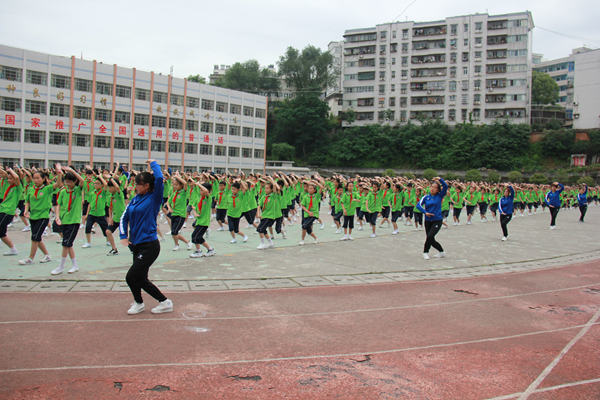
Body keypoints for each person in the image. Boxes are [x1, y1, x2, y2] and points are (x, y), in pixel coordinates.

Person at [119, 159, 173, 315]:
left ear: (147, 185)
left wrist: (154, 164)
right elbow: (124, 217)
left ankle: (164, 302)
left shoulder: (154, 198)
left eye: (138, 184)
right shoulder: (135, 199)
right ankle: (139, 303)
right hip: (135, 244)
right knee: (140, 277)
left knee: (131, 277)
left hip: (149, 244)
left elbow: (158, 179)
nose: (135, 187)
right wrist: (123, 235)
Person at [51, 165, 85, 274]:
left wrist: (72, 171)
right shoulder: (63, 191)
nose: (68, 184)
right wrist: (57, 217)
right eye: (66, 181)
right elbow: (58, 205)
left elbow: (82, 180)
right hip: (64, 220)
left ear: (74, 182)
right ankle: (75, 265)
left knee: (65, 244)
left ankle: (61, 267)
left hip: (74, 221)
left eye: (70, 182)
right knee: (68, 244)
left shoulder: (77, 190)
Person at [19, 170, 55, 264]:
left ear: (43, 179)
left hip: (43, 217)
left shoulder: (47, 189)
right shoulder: (31, 189)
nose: (35, 180)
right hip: (33, 216)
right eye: (34, 178)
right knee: (36, 238)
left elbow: (58, 184)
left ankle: (30, 258)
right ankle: (47, 255)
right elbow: (27, 201)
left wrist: (59, 173)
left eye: (38, 178)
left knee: (35, 237)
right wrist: (26, 211)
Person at [82, 172, 119, 255]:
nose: (95, 185)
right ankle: (88, 242)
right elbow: (89, 205)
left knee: (105, 229)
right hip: (92, 213)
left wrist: (100, 177)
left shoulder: (103, 192)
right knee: (88, 227)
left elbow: (106, 185)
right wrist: (87, 214)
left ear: (101, 185)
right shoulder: (92, 193)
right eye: (95, 183)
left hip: (101, 214)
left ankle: (108, 241)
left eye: (98, 183)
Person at [416, 177, 448, 260]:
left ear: (438, 190)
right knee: (431, 238)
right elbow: (418, 205)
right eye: (431, 187)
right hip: (427, 220)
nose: (432, 189)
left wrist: (440, 179)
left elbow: (445, 187)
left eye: (434, 187)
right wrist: (425, 212)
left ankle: (425, 252)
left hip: (437, 220)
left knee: (430, 236)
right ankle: (441, 252)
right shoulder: (426, 197)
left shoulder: (440, 196)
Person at [189, 178, 216, 258]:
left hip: (204, 222)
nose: (201, 192)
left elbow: (206, 192)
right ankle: (201, 250)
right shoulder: (199, 198)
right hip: (199, 221)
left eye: (202, 190)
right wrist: (195, 212)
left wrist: (199, 184)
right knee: (196, 237)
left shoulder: (208, 199)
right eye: (200, 190)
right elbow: (195, 209)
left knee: (196, 237)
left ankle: (207, 250)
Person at [0, 167, 23, 256]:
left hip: (8, 212)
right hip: (2, 209)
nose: (8, 180)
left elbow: (17, 178)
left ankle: (13, 249)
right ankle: (13, 249)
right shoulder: (7, 185)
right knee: (2, 233)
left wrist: (10, 169)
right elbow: (4, 175)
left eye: (11, 179)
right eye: (8, 179)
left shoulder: (18, 188)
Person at [256, 176, 280, 250]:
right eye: (265, 188)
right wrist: (258, 214)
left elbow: (276, 188)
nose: (265, 190)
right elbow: (259, 206)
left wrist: (271, 179)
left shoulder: (273, 196)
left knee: (260, 229)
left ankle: (263, 243)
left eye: (267, 188)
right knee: (261, 229)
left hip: (270, 216)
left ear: (271, 189)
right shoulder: (264, 196)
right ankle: (270, 242)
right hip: (264, 215)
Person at [299, 181, 320, 245]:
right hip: (307, 214)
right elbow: (302, 205)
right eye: (309, 188)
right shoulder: (305, 196)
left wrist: (315, 182)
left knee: (304, 226)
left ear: (314, 190)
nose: (309, 189)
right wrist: (308, 212)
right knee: (308, 230)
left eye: (311, 188)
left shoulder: (316, 196)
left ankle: (302, 240)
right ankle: (316, 238)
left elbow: (321, 187)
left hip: (314, 214)